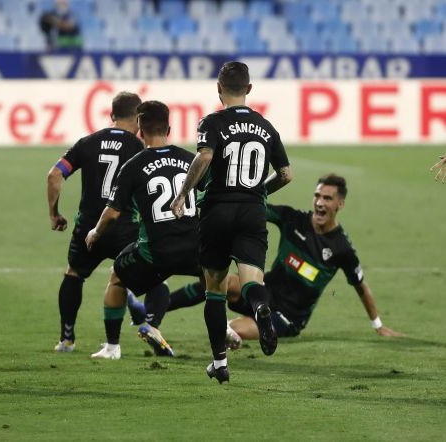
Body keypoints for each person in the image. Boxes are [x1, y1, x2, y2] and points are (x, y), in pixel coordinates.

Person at [128, 174, 404, 346]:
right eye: (317, 195)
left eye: (328, 198)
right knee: (217, 281)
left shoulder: (342, 248)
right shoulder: (293, 219)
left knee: (228, 331)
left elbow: (360, 285)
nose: (320, 203)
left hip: (287, 317)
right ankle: (150, 316)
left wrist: (378, 325)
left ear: (340, 204)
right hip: (264, 293)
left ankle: (228, 341)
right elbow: (256, 207)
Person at [170, 61, 292, 384]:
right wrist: (260, 192)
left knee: (215, 290)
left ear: (219, 88)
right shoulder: (266, 127)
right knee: (252, 282)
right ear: (249, 89)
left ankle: (220, 363)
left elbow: (204, 157)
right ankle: (261, 310)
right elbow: (286, 174)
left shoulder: (212, 122)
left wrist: (183, 193)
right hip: (253, 212)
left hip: (217, 211)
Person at [48, 91, 171, 353]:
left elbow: (54, 175)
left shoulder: (87, 143)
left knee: (74, 274)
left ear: (112, 115)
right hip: (125, 228)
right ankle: (149, 324)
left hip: (89, 228)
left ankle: (66, 339)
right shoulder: (139, 148)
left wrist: (54, 213)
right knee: (151, 277)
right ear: (139, 119)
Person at [85, 100, 202, 360]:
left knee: (117, 274)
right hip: (195, 248)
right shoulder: (190, 160)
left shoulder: (134, 166)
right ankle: (223, 332)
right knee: (216, 283)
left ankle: (112, 348)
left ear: (139, 128)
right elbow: (206, 199)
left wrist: (95, 232)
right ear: (169, 128)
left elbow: (113, 212)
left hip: (157, 252)